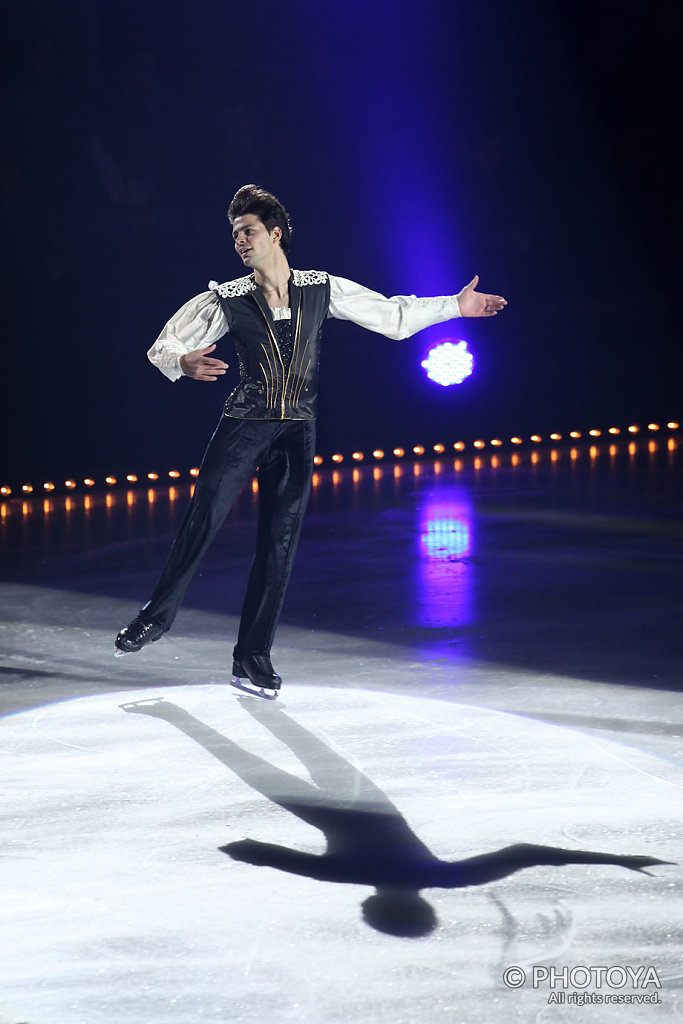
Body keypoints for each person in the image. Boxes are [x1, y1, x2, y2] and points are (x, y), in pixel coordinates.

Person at [115, 184, 507, 690]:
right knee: (203, 520)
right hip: (244, 425)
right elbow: (163, 344)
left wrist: (455, 306)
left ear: (274, 234)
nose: (240, 240)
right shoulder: (226, 299)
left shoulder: (321, 288)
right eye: (235, 234)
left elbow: (392, 316)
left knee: (279, 544)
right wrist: (182, 362)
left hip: (299, 430)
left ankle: (252, 655)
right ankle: (155, 617)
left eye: (248, 231)